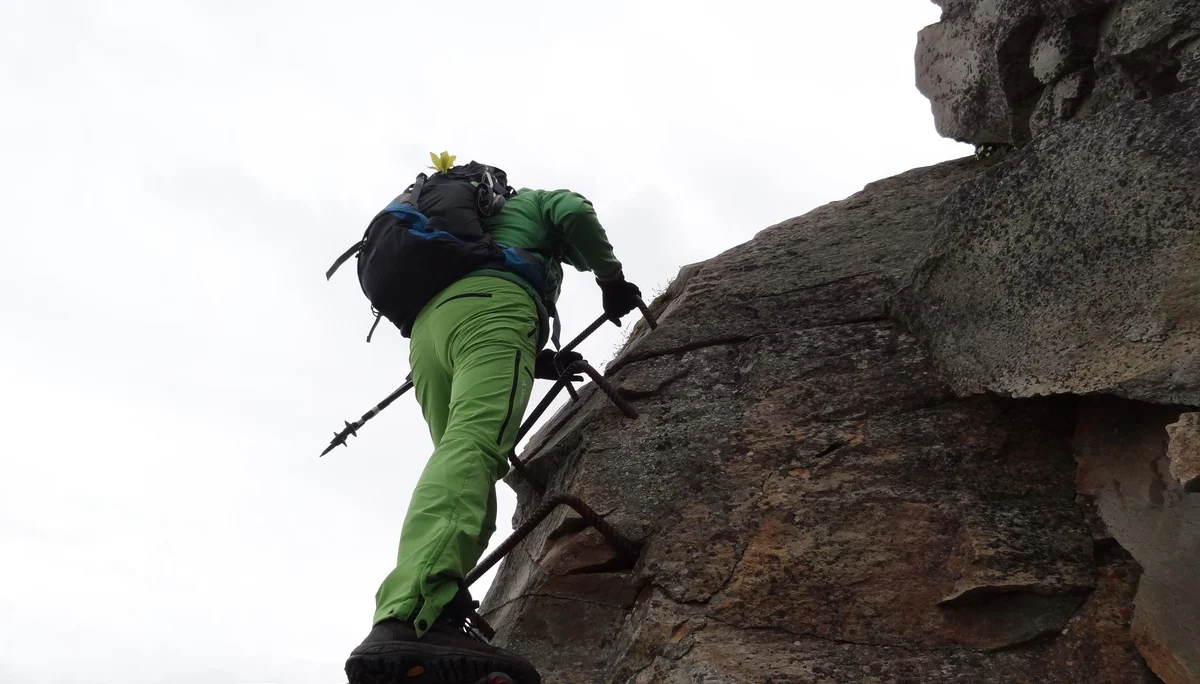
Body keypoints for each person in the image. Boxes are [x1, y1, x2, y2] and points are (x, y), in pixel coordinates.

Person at [344, 173, 642, 684]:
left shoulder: (471, 232)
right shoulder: (538, 202)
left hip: (428, 337)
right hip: (496, 305)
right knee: (475, 450)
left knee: (463, 463)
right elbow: (575, 213)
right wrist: (610, 281)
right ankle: (416, 613)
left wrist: (533, 359)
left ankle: (438, 609)